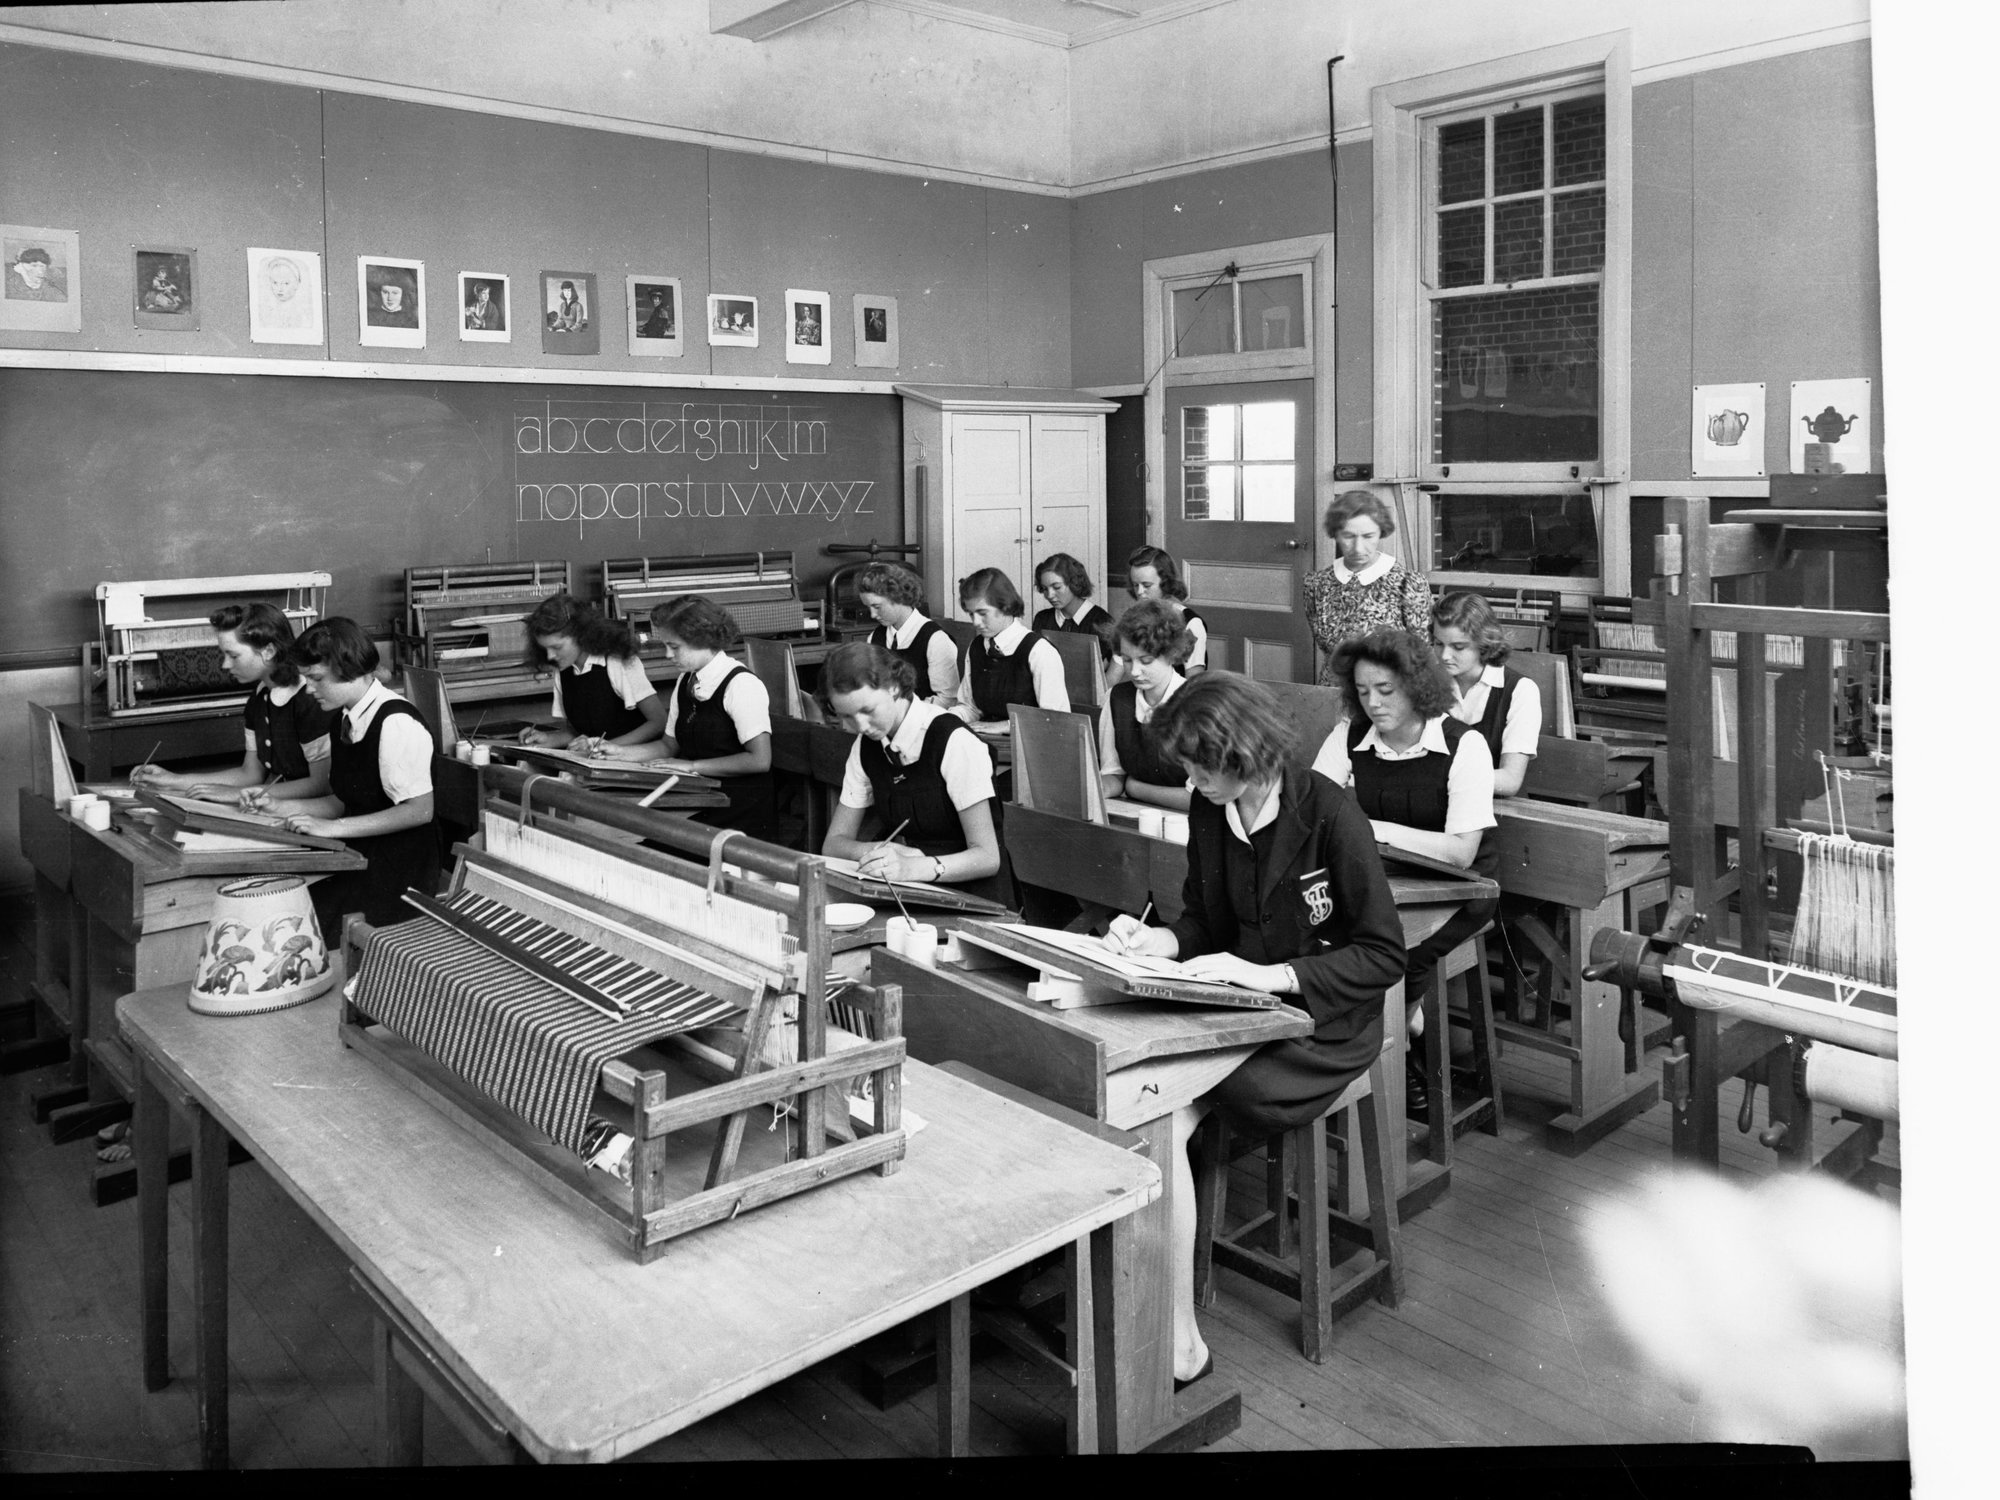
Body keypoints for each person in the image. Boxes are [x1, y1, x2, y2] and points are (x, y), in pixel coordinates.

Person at [1101, 672, 1404, 1387]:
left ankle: (1175, 1344)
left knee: (1161, 1109)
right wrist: (1164, 945)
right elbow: (1203, 917)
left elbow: (1385, 953)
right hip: (1241, 1015)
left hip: (1318, 1028)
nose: (1190, 778)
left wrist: (1277, 977)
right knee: (1149, 1103)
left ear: (1243, 754)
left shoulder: (1330, 814)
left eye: (1202, 765)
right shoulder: (1212, 808)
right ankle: (1169, 1330)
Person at [1311, 628, 1498, 1115]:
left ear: (1417, 686)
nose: (1372, 703)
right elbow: (1314, 810)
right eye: (1363, 691)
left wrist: (1367, 828)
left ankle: (1399, 1047)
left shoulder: (1465, 745)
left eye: (1386, 690)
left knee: (1387, 950)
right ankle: (1359, 1058)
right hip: (1386, 879)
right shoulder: (1349, 736)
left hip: (1463, 888)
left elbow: (1460, 852)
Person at [277, 618, 439, 940]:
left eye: (316, 678)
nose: (308, 689)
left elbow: (420, 810)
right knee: (293, 911)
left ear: (349, 670)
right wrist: (278, 809)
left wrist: (333, 828)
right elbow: (344, 800)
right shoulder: (344, 718)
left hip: (400, 869)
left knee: (312, 928)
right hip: (362, 854)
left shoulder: (396, 722)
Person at [819, 642, 1007, 904]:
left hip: (976, 899)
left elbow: (987, 857)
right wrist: (881, 851)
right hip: (914, 893)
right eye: (847, 717)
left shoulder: (953, 740)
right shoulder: (866, 747)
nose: (859, 726)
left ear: (894, 687)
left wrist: (913, 867)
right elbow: (834, 844)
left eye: (867, 710)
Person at [594, 596, 775, 841]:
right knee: (621, 830)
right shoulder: (686, 680)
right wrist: (618, 752)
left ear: (703, 639)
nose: (668, 654)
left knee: (643, 843)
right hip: (701, 796)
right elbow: (668, 746)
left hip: (738, 809)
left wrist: (691, 766)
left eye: (675, 647)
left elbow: (759, 760)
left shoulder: (741, 684)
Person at [129, 602, 334, 809]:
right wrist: (173, 780)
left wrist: (237, 794)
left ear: (268, 651)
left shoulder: (309, 700)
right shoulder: (259, 698)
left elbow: (321, 784)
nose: (225, 665)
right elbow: (250, 773)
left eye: (233, 655)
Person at [1303, 490, 1434, 687]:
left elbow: (1421, 654)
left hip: (1390, 693)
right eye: (1348, 536)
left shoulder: (1408, 584)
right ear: (1335, 534)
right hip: (1336, 692)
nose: (1358, 547)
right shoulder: (1316, 584)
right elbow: (1326, 647)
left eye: (1368, 536)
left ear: (1381, 532)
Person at [518, 592, 665, 754]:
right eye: (545, 649)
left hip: (638, 757)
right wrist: (549, 739)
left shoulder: (617, 662)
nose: (550, 656)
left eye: (557, 647)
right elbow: (577, 731)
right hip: (597, 760)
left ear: (581, 635)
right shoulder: (564, 670)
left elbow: (658, 722)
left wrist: (603, 746)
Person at [1433, 590, 1542, 798]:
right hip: (1437, 802)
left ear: (1484, 643)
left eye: (1458, 647)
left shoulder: (1520, 691)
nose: (1445, 656)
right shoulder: (1429, 683)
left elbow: (1510, 780)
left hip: (1499, 809)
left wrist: (1435, 777)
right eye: (1439, 644)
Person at [1097, 599, 1191, 811]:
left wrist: (1135, 788)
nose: (1135, 671)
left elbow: (1197, 800)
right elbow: (1114, 774)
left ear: (1171, 654)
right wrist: (1098, 788)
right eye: (1127, 660)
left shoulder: (1197, 704)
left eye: (1146, 660)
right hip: (1136, 815)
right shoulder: (1117, 699)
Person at [944, 567, 1068, 726]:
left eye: (983, 613)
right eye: (971, 614)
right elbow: (970, 708)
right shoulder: (977, 647)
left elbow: (1055, 721)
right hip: (985, 737)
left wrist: (1002, 726)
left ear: (1006, 607)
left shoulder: (1039, 651)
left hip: (1028, 745)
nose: (975, 622)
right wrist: (946, 719)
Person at [856, 561, 959, 703]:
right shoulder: (875, 638)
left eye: (877, 606)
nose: (873, 615)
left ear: (898, 597)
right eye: (868, 607)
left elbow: (948, 700)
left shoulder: (935, 640)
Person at [1126, 545, 1207, 673]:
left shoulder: (1190, 623)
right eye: (1135, 585)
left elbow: (1194, 683)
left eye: (1147, 585)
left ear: (1165, 583)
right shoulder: (1133, 618)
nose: (1140, 592)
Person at [1031, 552, 1114, 653]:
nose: (1049, 595)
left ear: (1074, 583)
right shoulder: (1042, 619)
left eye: (1057, 587)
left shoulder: (1102, 620)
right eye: (1044, 589)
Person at [256, 254, 311, 330]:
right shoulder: (267, 314)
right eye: (275, 283)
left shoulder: (301, 315)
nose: (280, 289)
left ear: (297, 284)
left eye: (286, 283)